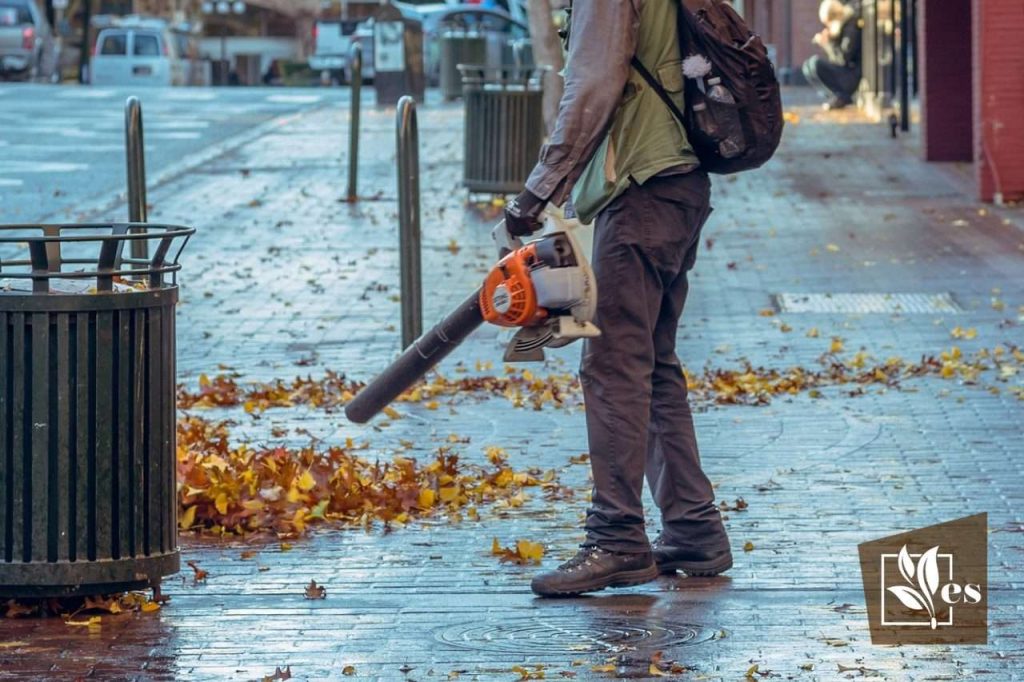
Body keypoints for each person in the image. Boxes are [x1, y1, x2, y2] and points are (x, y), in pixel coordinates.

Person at [503, 0, 731, 598]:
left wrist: (537, 191)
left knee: (612, 365)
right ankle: (693, 528)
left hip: (642, 188)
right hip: (677, 183)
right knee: (650, 365)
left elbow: (594, 85)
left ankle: (617, 540)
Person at [803, 0, 862, 110]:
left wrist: (827, 43)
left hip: (852, 74)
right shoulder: (842, 26)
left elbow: (843, 57)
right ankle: (837, 97)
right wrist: (831, 39)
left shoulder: (851, 25)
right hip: (847, 72)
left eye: (828, 22)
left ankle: (842, 96)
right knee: (807, 66)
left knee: (815, 63)